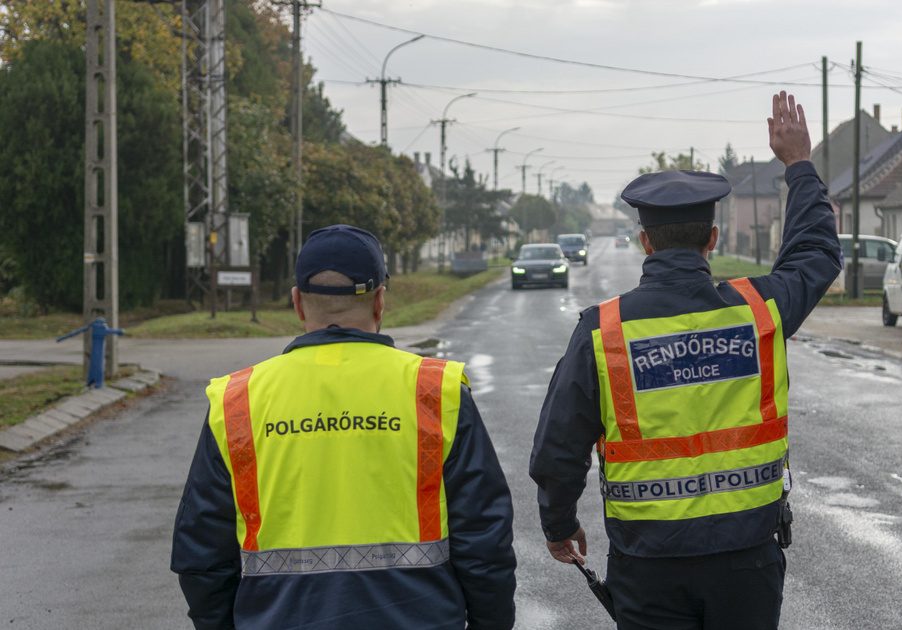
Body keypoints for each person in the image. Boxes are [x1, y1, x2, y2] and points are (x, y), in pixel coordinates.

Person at [528, 91, 841, 630]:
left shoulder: (602, 331)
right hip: (748, 562)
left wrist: (559, 524)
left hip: (648, 565)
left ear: (644, 241)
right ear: (713, 238)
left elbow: (559, 445)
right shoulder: (757, 312)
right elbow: (815, 253)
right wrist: (799, 166)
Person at [171, 225, 517, 630]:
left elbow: (202, 553)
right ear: (380, 302)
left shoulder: (238, 401)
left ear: (297, 303)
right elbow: (484, 538)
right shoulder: (435, 392)